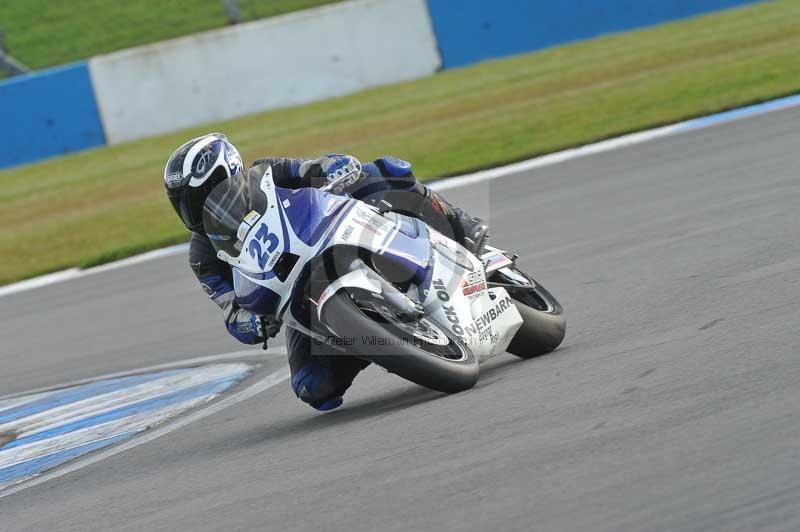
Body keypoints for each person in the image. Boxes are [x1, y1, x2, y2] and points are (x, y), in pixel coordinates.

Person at [163, 133, 488, 411]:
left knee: (384, 171)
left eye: (202, 194)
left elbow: (310, 169)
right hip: (293, 295)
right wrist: (253, 322)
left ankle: (459, 226)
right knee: (313, 388)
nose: (196, 208)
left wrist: (334, 167)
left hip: (327, 235)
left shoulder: (266, 172)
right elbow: (231, 309)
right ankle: (379, 338)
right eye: (186, 202)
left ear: (230, 173)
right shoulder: (202, 255)